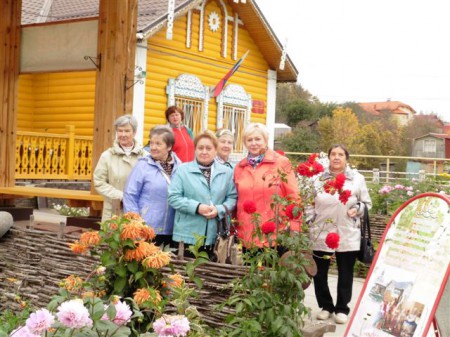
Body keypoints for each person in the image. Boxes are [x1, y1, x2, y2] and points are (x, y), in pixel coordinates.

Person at [310, 144, 372, 324]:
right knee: (319, 272)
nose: (336, 157)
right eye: (333, 154)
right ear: (328, 157)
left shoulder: (357, 179)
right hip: (321, 230)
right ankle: (326, 306)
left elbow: (367, 203)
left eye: (341, 154)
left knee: (346, 272)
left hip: (347, 231)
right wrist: (310, 220)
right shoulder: (317, 179)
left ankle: (342, 308)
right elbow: (307, 201)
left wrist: (358, 209)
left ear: (346, 158)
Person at [168, 130, 237, 258]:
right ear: (195, 150)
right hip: (186, 235)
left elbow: (232, 197)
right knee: (184, 274)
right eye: (200, 148)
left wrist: (219, 209)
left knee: (210, 275)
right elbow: (173, 198)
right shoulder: (183, 170)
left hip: (214, 235)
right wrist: (197, 207)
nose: (204, 152)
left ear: (215, 150)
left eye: (208, 148)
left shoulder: (226, 172)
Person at [234, 123, 300, 249]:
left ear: (265, 140)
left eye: (258, 139)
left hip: (275, 233)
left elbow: (293, 195)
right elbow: (236, 199)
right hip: (248, 235)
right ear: (244, 143)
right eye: (249, 140)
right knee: (249, 269)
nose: (254, 143)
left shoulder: (281, 162)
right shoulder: (240, 168)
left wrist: (294, 225)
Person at [123, 125, 181, 246]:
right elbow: (130, 195)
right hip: (147, 228)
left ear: (169, 147)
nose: (153, 148)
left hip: (173, 229)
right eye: (151, 143)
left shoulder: (180, 167)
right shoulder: (143, 166)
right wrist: (136, 224)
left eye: (158, 144)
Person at [93, 115, 147, 221]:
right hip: (113, 212)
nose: (123, 134)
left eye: (127, 131)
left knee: (134, 236)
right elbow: (99, 182)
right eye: (120, 131)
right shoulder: (107, 156)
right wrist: (121, 196)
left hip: (137, 212)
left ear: (134, 132)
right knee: (113, 237)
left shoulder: (144, 157)